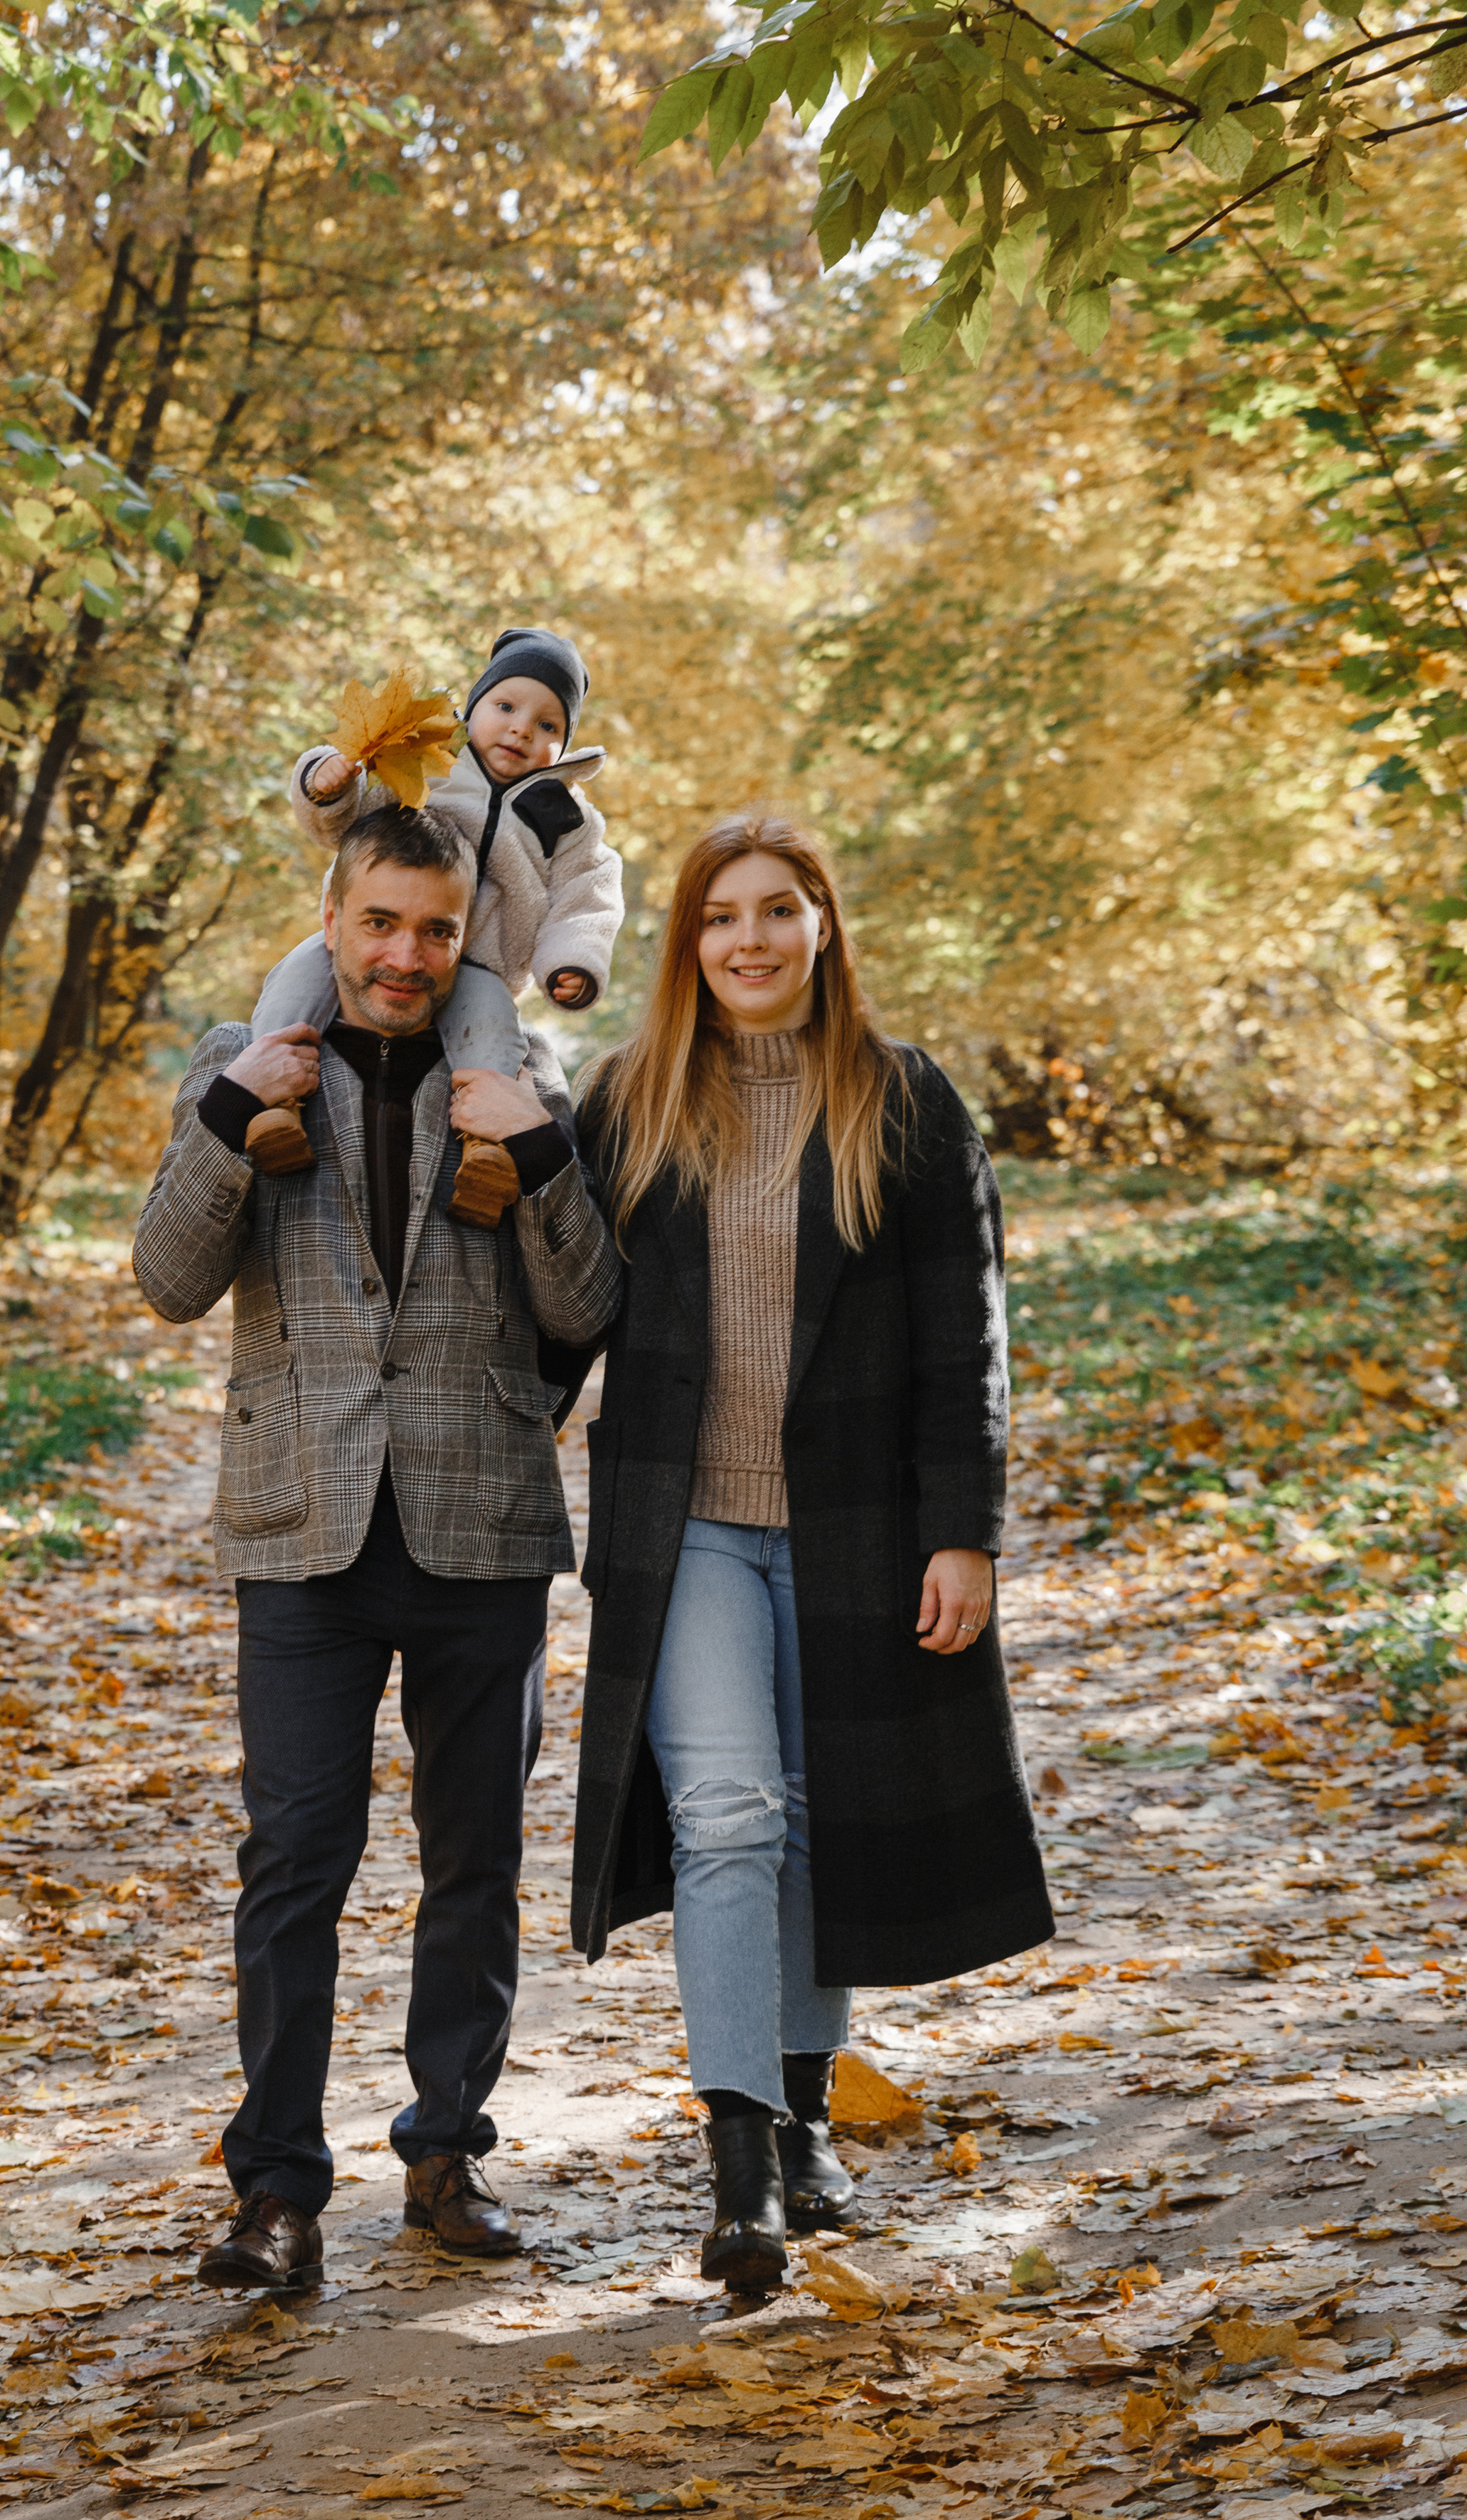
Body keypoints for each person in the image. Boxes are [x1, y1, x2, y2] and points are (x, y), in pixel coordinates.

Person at [134, 799, 622, 2292]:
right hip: (301, 1530)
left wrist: (536, 1159)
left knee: (470, 1862)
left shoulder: (527, 1076)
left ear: (461, 933)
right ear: (332, 917)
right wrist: (228, 1117)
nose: (403, 956)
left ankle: (445, 2151)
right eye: (377, 922)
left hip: (479, 1523)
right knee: (294, 1860)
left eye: (432, 928)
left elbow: (590, 1308)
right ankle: (274, 2193)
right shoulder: (246, 1071)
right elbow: (167, 1276)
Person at [570, 810, 1053, 2290]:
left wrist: (961, 1531)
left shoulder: (902, 1105)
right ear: (686, 944)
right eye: (721, 917)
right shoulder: (627, 1103)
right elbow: (546, 1300)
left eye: (779, 910)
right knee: (727, 1814)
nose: (751, 940)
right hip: (683, 1525)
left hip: (853, 1521)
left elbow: (961, 1340)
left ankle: (801, 2114)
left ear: (822, 928)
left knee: (813, 1809)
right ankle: (741, 2167)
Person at [245, 626, 624, 1229]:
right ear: (472, 710)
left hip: (481, 964)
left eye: (549, 725)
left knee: (494, 1039)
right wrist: (325, 785)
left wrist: (570, 961)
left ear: (566, 743)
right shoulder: (430, 759)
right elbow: (349, 805)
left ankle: (486, 1155)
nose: (523, 729)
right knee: (293, 986)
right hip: (367, 944)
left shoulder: (565, 816)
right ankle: (273, 1108)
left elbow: (588, 895)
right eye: (505, 707)